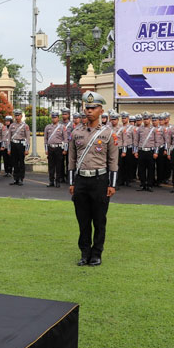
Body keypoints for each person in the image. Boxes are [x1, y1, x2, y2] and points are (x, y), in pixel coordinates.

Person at [68, 91, 118, 267]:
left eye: (93, 107)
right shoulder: (76, 133)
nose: (89, 111)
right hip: (81, 181)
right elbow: (72, 160)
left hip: (100, 180)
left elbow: (113, 160)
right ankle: (84, 253)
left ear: (101, 110)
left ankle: (96, 254)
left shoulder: (108, 133)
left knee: (99, 219)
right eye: (87, 107)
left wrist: (112, 184)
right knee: (83, 220)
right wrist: (72, 182)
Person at [133, 112, 161, 192]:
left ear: (150, 120)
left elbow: (157, 142)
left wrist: (156, 152)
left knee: (151, 169)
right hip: (142, 151)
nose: (146, 121)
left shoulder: (154, 129)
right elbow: (136, 141)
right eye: (144, 119)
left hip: (150, 151)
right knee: (141, 169)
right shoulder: (139, 129)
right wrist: (135, 151)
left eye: (147, 119)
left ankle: (149, 185)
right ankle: (142, 184)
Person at [7, 109, 30, 186]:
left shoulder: (25, 126)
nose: (17, 117)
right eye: (15, 115)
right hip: (13, 144)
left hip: (21, 145)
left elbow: (28, 138)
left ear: (21, 116)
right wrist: (9, 148)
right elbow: (9, 138)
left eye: (18, 115)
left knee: (21, 162)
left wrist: (27, 149)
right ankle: (15, 179)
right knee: (14, 163)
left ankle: (21, 179)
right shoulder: (11, 125)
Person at [44, 111, 67, 187]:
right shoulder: (48, 127)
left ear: (58, 118)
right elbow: (45, 139)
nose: (54, 119)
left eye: (55, 117)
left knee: (59, 165)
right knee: (51, 166)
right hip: (50, 148)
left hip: (59, 148)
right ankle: (51, 181)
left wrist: (65, 149)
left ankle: (58, 181)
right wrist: (46, 150)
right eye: (53, 117)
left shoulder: (62, 127)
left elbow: (65, 139)